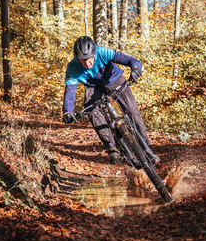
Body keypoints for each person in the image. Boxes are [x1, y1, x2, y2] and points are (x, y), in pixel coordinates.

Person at [62, 36, 152, 165]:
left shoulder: (103, 52)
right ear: (76, 57)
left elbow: (131, 60)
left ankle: (145, 146)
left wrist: (136, 69)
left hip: (115, 80)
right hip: (94, 87)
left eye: (89, 59)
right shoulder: (72, 67)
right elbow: (70, 91)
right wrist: (67, 111)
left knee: (132, 110)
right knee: (92, 110)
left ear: (94, 53)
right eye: (82, 61)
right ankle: (111, 147)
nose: (87, 64)